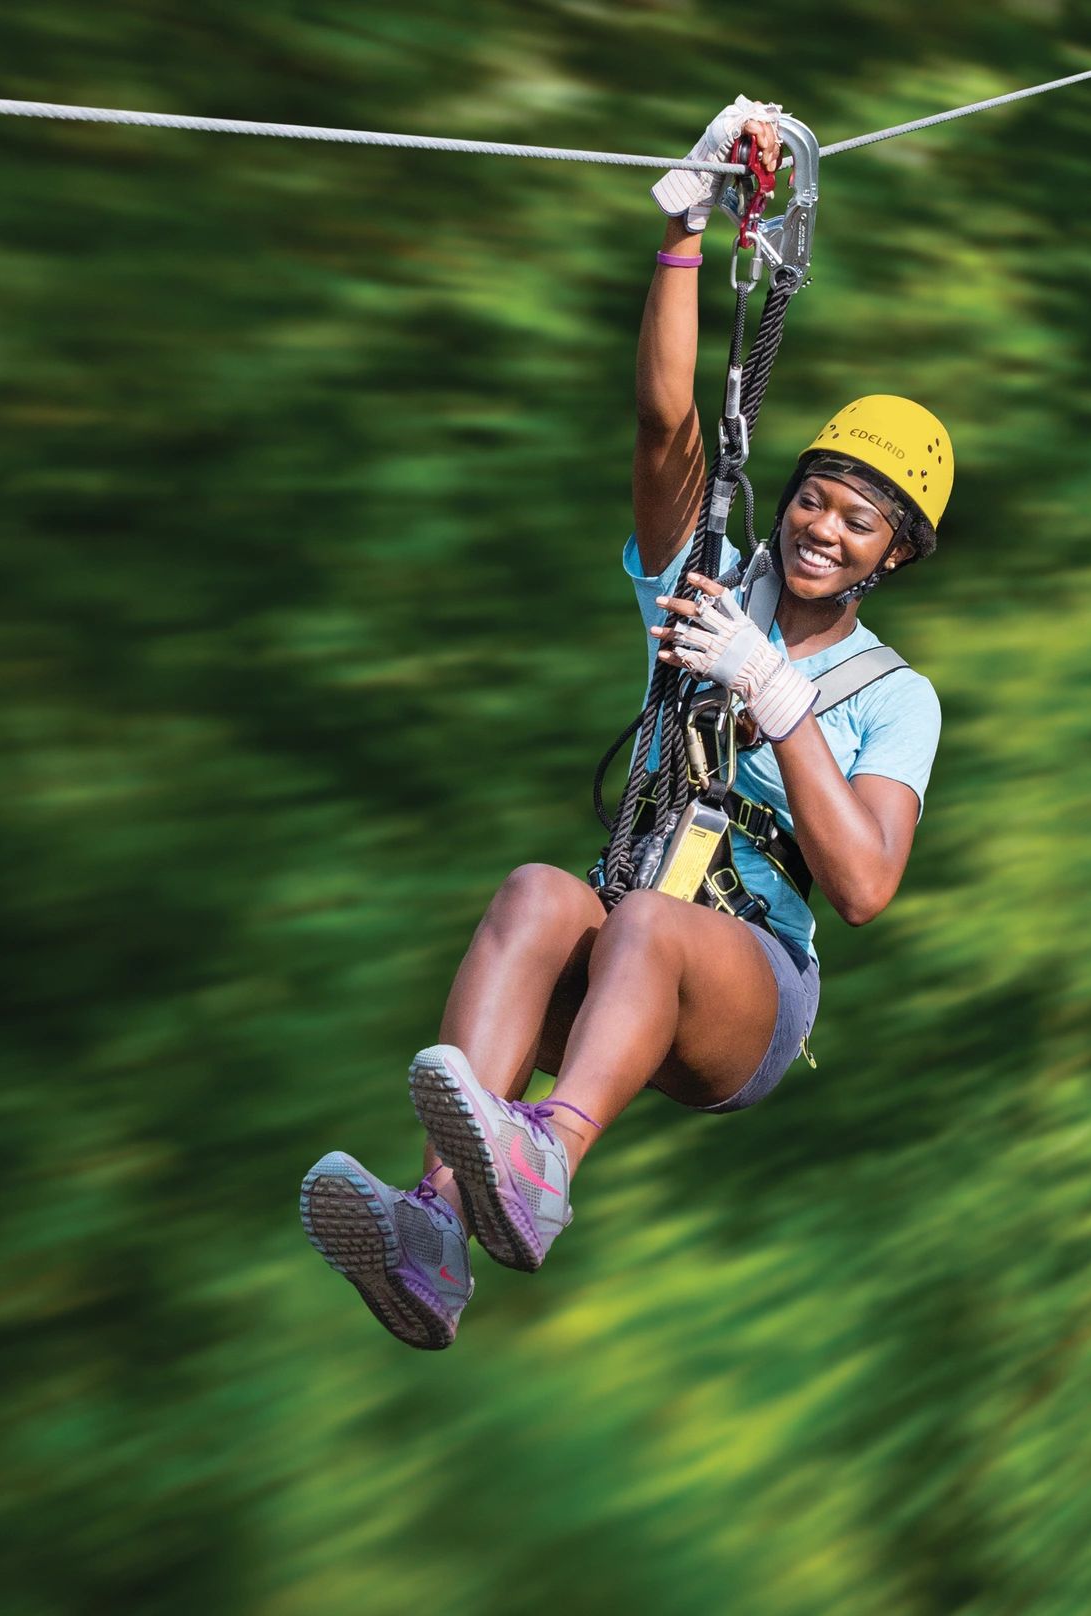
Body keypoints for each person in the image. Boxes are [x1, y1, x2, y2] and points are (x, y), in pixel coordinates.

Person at [298, 99, 950, 1350]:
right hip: (629, 946)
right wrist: (683, 234)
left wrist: (778, 697)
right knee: (544, 890)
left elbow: (866, 885)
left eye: (857, 522)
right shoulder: (710, 581)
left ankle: (551, 1161)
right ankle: (435, 1227)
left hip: (746, 983)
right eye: (814, 498)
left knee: (649, 917)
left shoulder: (894, 695)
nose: (820, 527)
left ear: (892, 556)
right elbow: (666, 428)